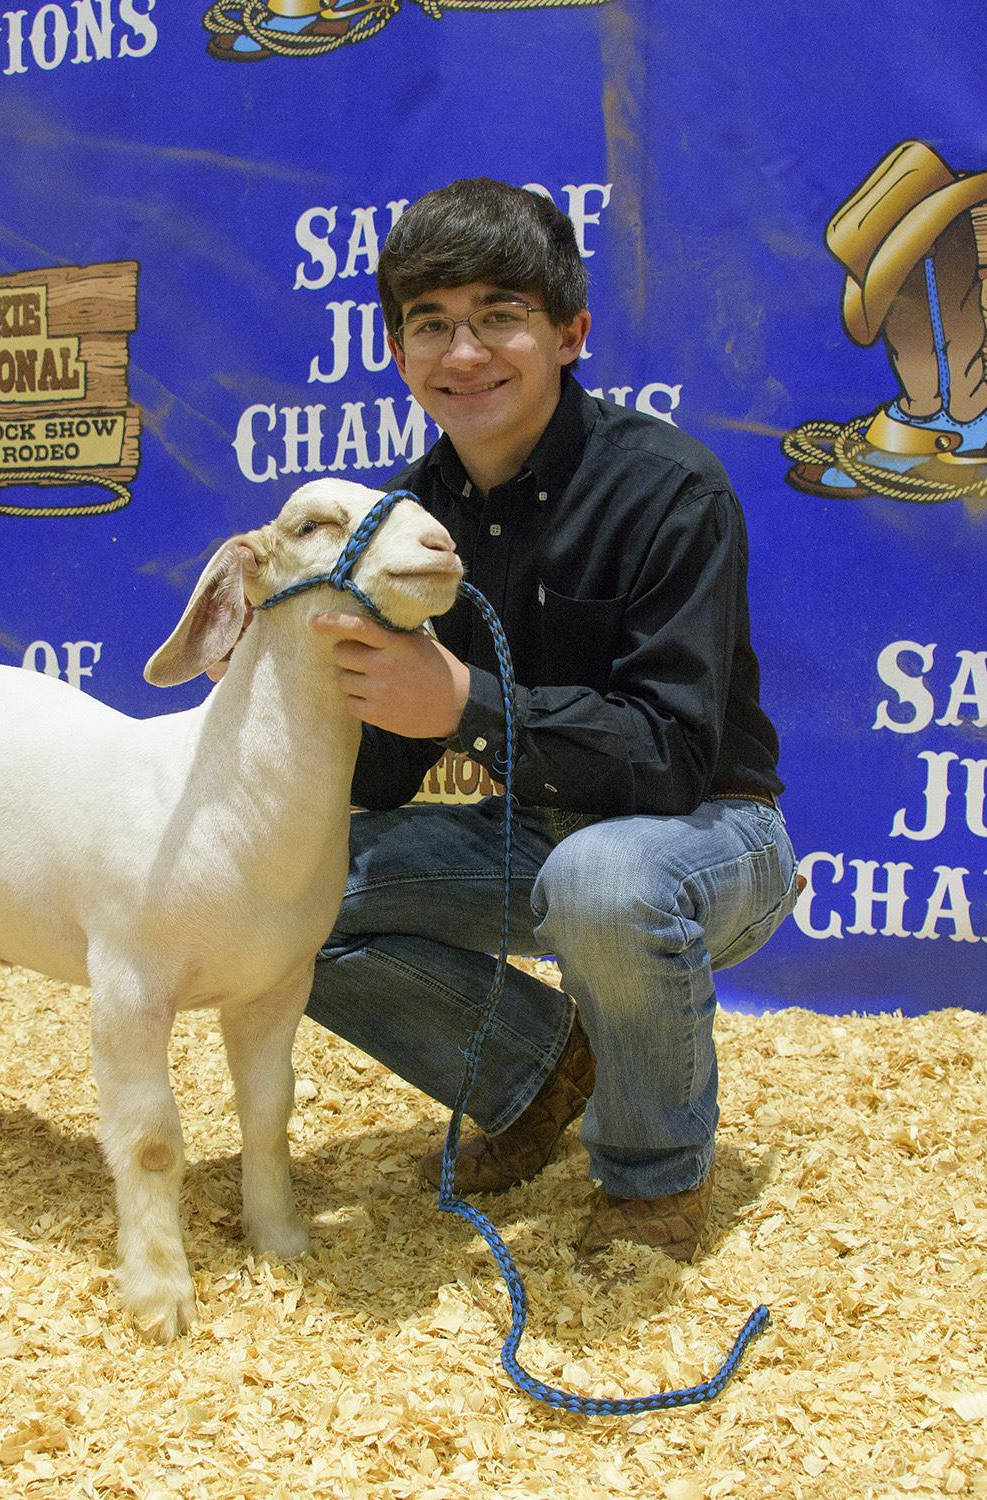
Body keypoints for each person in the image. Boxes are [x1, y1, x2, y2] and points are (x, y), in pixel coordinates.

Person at [302, 177, 798, 1263]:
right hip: (534, 831)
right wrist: (350, 692)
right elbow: (380, 778)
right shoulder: (404, 518)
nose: (464, 352)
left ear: (571, 333)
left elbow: (670, 758)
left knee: (604, 882)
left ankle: (654, 1172)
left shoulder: (671, 491)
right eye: (430, 323)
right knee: (294, 892)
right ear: (395, 354)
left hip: (712, 838)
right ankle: (534, 1074)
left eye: (500, 316)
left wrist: (462, 702)